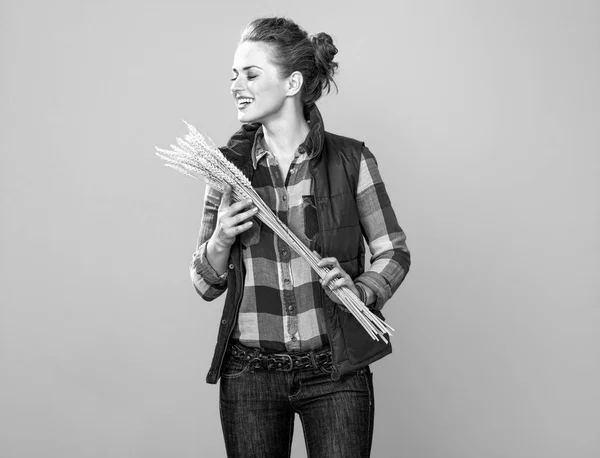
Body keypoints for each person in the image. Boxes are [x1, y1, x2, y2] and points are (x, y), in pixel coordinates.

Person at [190, 16, 410, 458]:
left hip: (336, 371)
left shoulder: (351, 159)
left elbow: (393, 251)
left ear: (292, 83)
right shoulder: (227, 169)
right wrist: (219, 242)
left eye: (251, 74)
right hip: (249, 373)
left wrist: (361, 289)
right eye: (234, 75)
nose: (237, 84)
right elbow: (203, 285)